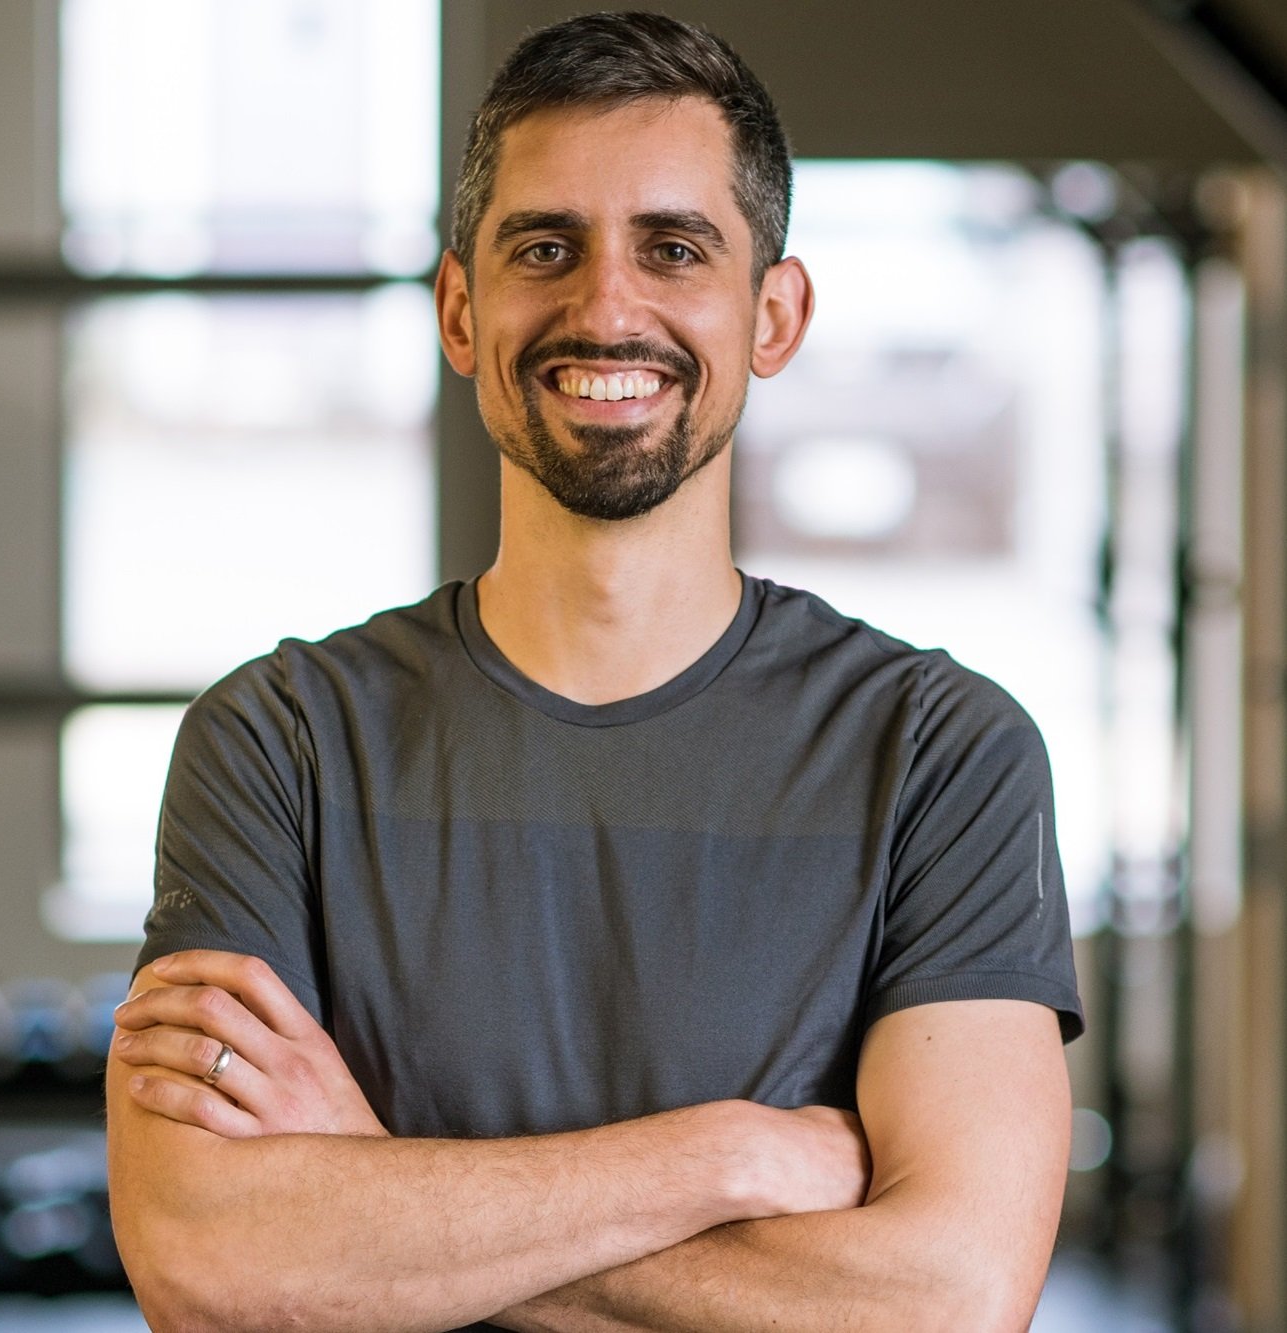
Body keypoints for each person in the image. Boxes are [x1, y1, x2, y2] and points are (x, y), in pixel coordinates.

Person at [107, 12, 1083, 1331]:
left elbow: (949, 1298)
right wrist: (728, 1157)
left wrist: (375, 1189)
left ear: (774, 312)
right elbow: (210, 1256)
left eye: (674, 249)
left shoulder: (940, 755)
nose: (608, 306)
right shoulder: (282, 744)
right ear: (460, 308)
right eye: (544, 248)